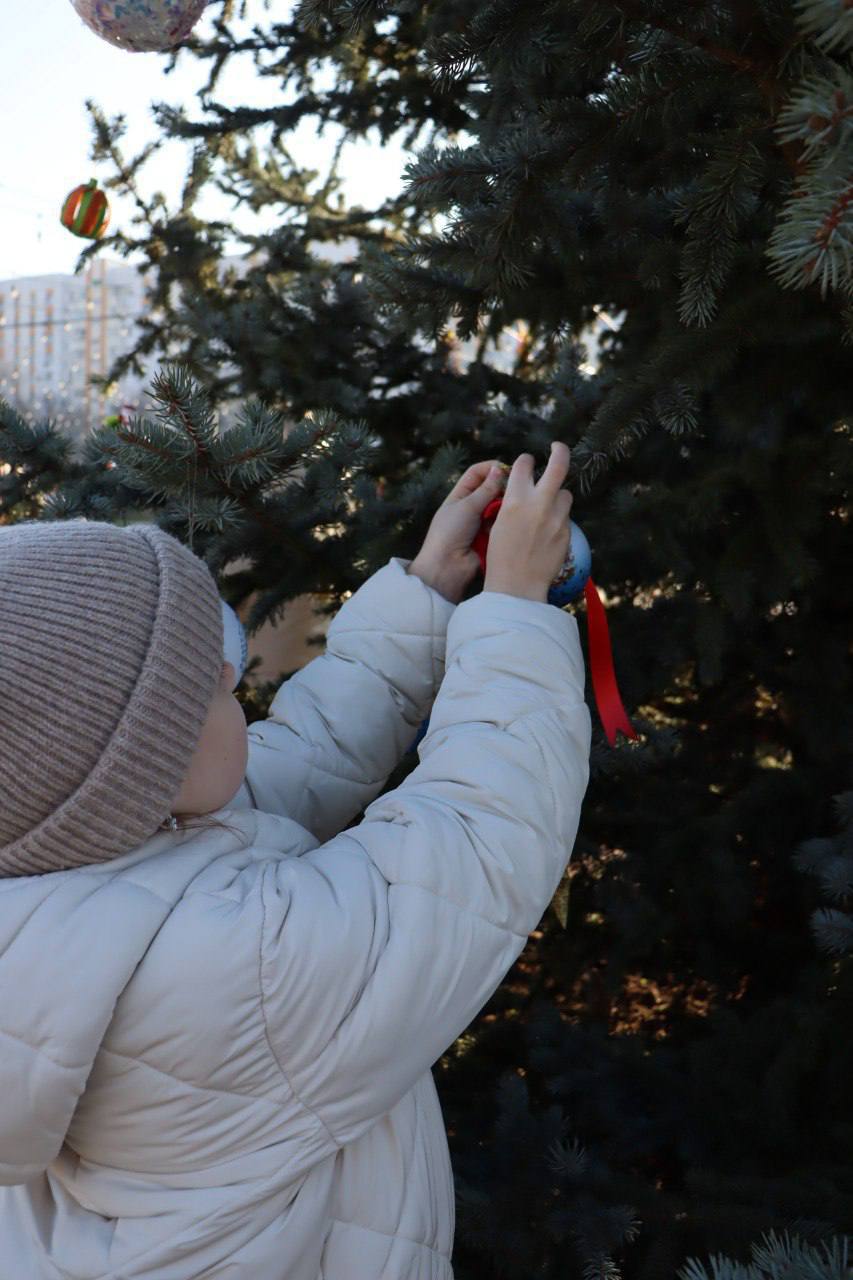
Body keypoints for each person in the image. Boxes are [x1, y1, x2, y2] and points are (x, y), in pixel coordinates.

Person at [0, 440, 591, 1280]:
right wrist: (515, 609)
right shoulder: (229, 972)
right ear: (132, 769)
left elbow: (296, 758)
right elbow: (474, 839)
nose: (231, 677)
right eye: (207, 688)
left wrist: (424, 590)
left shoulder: (68, 858)